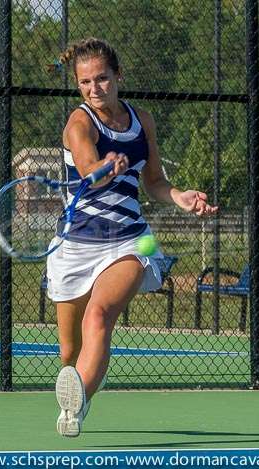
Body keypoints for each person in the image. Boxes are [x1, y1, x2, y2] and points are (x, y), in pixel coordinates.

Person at [46, 38, 217, 437]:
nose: (94, 89)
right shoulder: (79, 123)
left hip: (133, 239)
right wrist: (104, 165)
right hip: (76, 245)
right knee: (69, 352)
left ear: (118, 76)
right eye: (85, 82)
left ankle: (78, 403)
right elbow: (89, 167)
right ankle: (81, 382)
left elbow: (154, 181)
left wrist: (179, 197)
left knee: (100, 314)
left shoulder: (143, 121)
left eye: (102, 79)